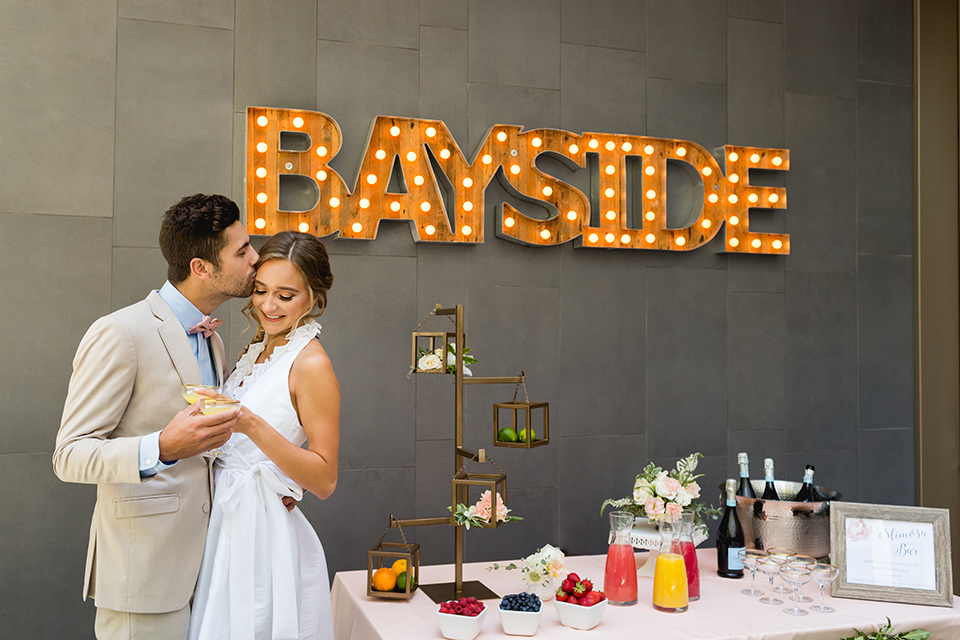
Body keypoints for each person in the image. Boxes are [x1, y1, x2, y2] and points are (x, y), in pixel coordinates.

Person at [54, 194, 258, 640]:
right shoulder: (120, 332)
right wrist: (162, 447)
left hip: (207, 572)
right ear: (201, 267)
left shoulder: (214, 340)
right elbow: (69, 455)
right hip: (141, 577)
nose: (255, 259)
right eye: (242, 251)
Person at [188, 231, 340, 640]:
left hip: (259, 536)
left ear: (313, 297)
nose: (268, 306)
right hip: (225, 518)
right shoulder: (262, 347)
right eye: (260, 290)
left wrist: (249, 423)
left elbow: (325, 479)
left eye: (286, 296)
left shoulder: (311, 364)